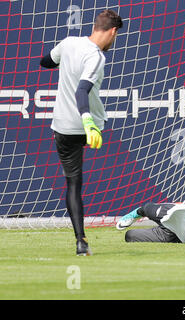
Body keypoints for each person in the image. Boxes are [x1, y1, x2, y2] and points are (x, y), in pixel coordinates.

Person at [39, 9, 123, 256]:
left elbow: (46, 62)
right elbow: (81, 91)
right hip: (89, 126)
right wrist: (88, 122)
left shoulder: (68, 43)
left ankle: (81, 241)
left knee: (73, 183)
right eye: (115, 36)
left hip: (63, 127)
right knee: (79, 179)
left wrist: (59, 63)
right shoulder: (97, 57)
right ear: (112, 31)